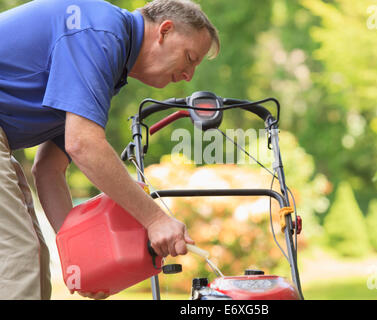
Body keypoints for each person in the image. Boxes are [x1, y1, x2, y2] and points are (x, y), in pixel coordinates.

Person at [0, 0, 220, 300]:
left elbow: (49, 169)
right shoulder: (100, 33)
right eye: (190, 57)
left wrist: (80, 255)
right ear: (165, 31)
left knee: (32, 259)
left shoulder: (107, 58)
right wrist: (155, 219)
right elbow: (84, 144)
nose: (189, 76)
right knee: (18, 256)